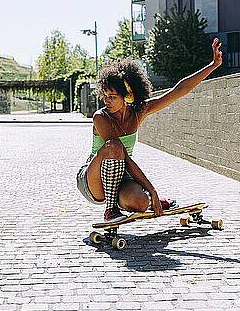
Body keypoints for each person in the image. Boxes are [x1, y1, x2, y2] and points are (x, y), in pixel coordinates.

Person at [76, 38, 223, 222]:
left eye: (112, 96)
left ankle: (145, 199)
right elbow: (122, 155)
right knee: (114, 146)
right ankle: (110, 209)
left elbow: (179, 90)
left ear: (128, 96)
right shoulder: (101, 117)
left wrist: (213, 65)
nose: (106, 100)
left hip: (121, 176)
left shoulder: (139, 112)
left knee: (140, 202)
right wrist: (152, 188)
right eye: (105, 95)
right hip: (93, 179)